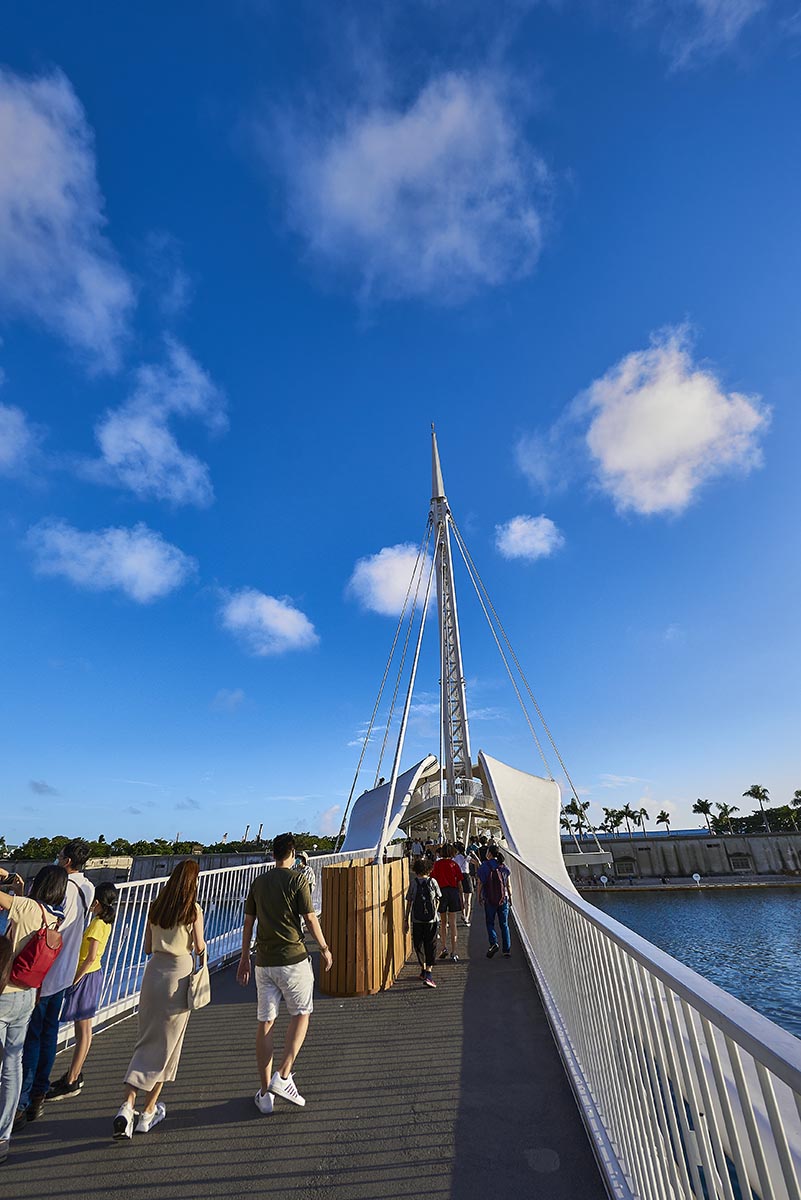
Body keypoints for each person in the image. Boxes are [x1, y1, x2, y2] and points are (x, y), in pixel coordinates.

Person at [237, 832, 333, 1113]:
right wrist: (324, 948)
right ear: (292, 854)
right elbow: (310, 918)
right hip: (293, 959)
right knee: (301, 1013)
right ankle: (284, 1074)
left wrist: (245, 957)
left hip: (264, 962)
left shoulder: (258, 882)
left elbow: (247, 924)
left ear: (272, 854)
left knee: (265, 1022)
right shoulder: (297, 880)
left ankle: (265, 1094)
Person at [113, 859, 205, 1139]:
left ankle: (127, 1107)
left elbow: (145, 947)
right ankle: (148, 1113)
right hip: (178, 978)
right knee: (168, 1048)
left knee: (145, 1043)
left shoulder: (156, 907)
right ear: (193, 883)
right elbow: (199, 947)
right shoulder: (193, 910)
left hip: (152, 975)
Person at [17, 839, 94, 1127]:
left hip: (43, 974)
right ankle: (38, 1096)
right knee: (48, 1036)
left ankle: (21, 1104)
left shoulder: (63, 890)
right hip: (64, 974)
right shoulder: (88, 888)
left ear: (66, 861)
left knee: (30, 1041)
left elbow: (45, 923)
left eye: (59, 855)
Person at [0, 865, 68, 1164]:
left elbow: (10, 904)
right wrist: (16, 888)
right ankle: (3, 1135)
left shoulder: (24, 906)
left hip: (4, 994)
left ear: (38, 884)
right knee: (12, 1063)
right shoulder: (54, 917)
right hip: (28, 996)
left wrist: (6, 880)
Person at [48, 883, 118, 1101]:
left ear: (96, 902)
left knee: (83, 1030)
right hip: (93, 975)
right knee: (84, 1029)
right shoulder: (105, 922)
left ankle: (72, 1078)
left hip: (86, 977)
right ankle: (72, 1074)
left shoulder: (97, 924)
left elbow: (89, 958)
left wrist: (74, 980)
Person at [404, 859, 441, 989]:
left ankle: (423, 969)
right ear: (429, 869)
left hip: (417, 919)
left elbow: (409, 902)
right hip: (432, 919)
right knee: (430, 944)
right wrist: (435, 914)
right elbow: (438, 899)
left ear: (416, 870)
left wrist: (406, 920)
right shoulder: (433, 882)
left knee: (418, 945)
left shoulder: (413, 883)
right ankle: (429, 973)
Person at [430, 844, 463, 962]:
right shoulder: (455, 864)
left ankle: (444, 947)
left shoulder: (437, 864)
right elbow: (459, 882)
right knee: (453, 923)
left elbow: (433, 880)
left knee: (443, 922)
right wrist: (462, 898)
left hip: (441, 892)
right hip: (453, 892)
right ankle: (454, 952)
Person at [478, 848, 512, 959]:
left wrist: (479, 896)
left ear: (489, 854)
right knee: (504, 924)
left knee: (490, 923)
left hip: (489, 899)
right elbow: (508, 885)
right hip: (503, 899)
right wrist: (510, 898)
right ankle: (506, 950)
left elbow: (480, 883)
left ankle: (494, 943)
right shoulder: (504, 867)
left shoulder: (484, 866)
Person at [453, 841, 473, 926]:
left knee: (462, 898)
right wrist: (473, 854)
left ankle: (463, 914)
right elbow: (478, 863)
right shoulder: (467, 857)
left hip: (458, 877)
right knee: (468, 900)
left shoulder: (454, 858)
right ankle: (466, 918)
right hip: (467, 877)